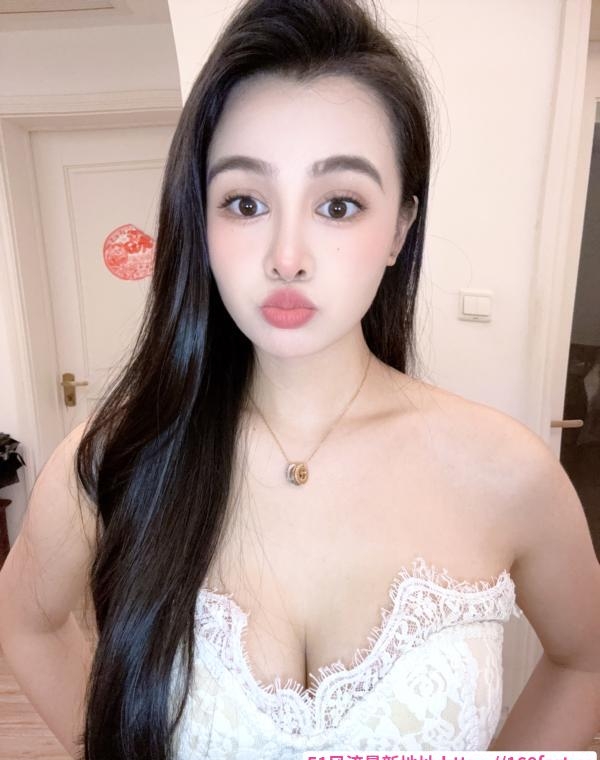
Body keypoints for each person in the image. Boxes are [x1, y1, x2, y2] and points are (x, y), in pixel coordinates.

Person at [1, 0, 599, 758]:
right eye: (245, 202)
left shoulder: (505, 471)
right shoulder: (120, 454)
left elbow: (585, 657)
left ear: (400, 228)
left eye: (339, 205)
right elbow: (24, 619)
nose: (287, 256)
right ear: (201, 218)